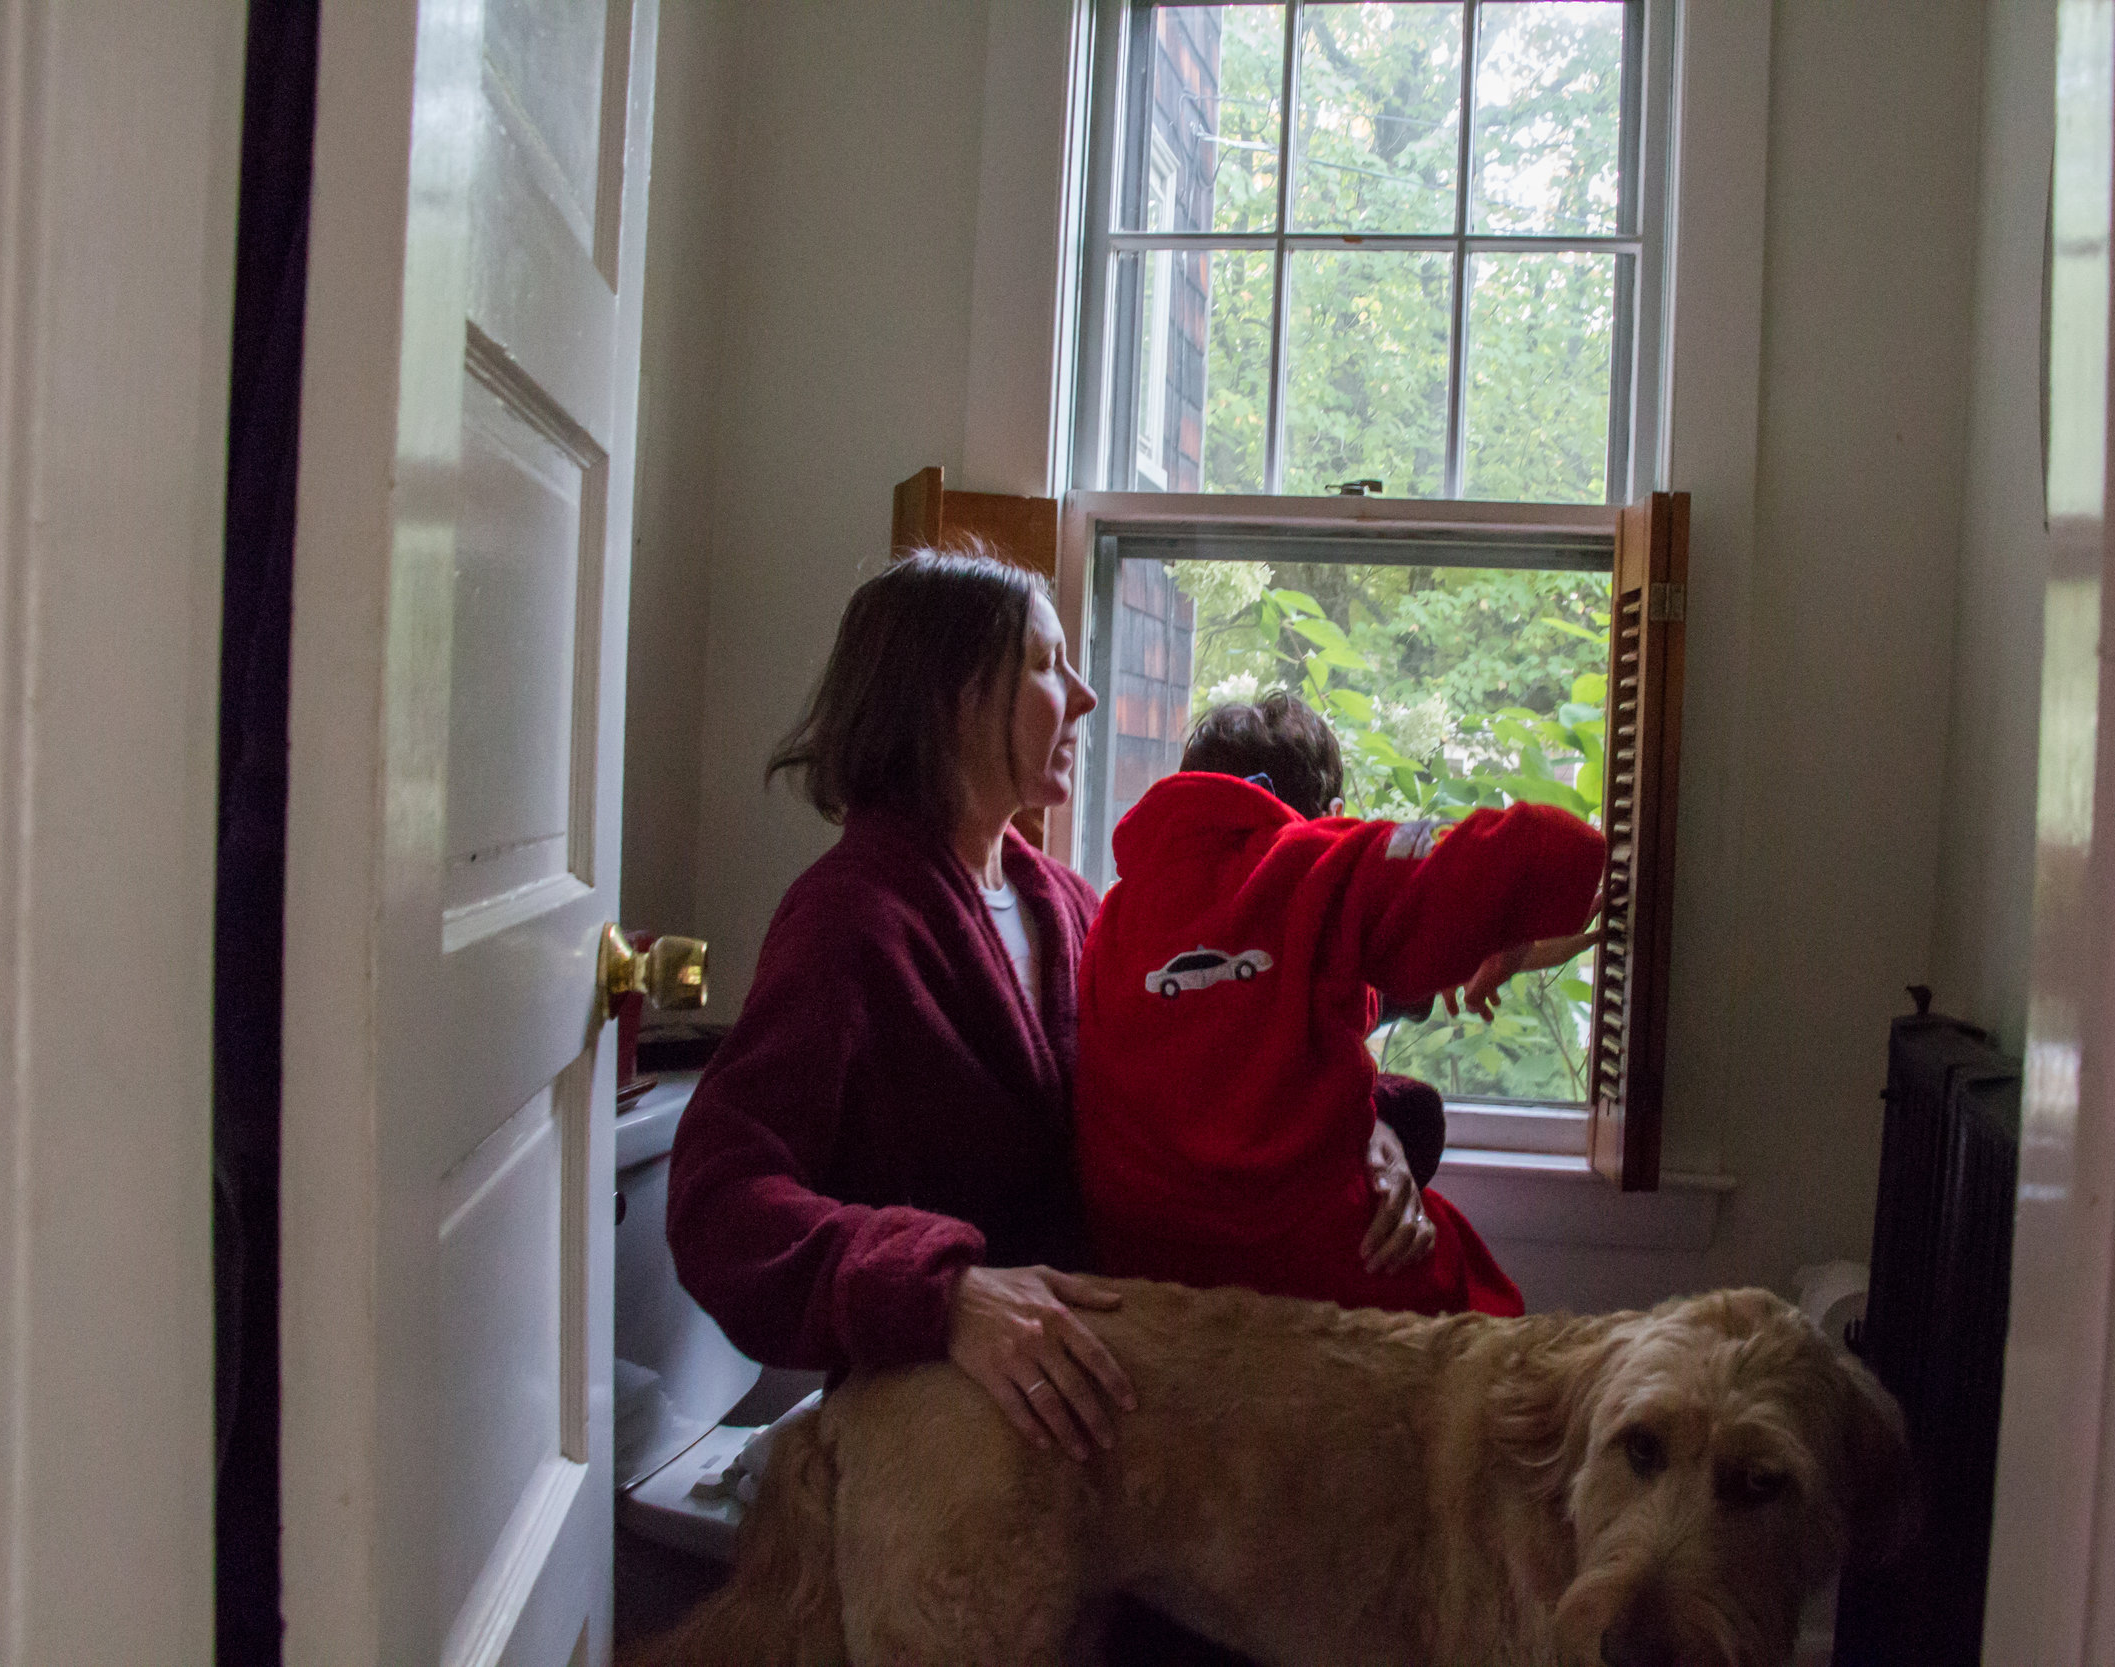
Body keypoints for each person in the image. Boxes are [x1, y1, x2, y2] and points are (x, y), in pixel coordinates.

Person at [662, 551, 1419, 1665]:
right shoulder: (845, 923)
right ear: (947, 694)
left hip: (1126, 1437)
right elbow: (721, 1200)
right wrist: (944, 1291)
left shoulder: (1066, 903)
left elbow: (1204, 1067)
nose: (1086, 696)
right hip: (958, 1460)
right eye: (1046, 664)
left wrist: (1377, 1126)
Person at [1075, 692, 1607, 1319]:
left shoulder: (1111, 916)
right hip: (1302, 1261)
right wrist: (1506, 942)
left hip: (1142, 1273)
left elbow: (1261, 1000)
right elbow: (1552, 850)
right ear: (1330, 814)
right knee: (1482, 1303)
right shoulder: (1315, 862)